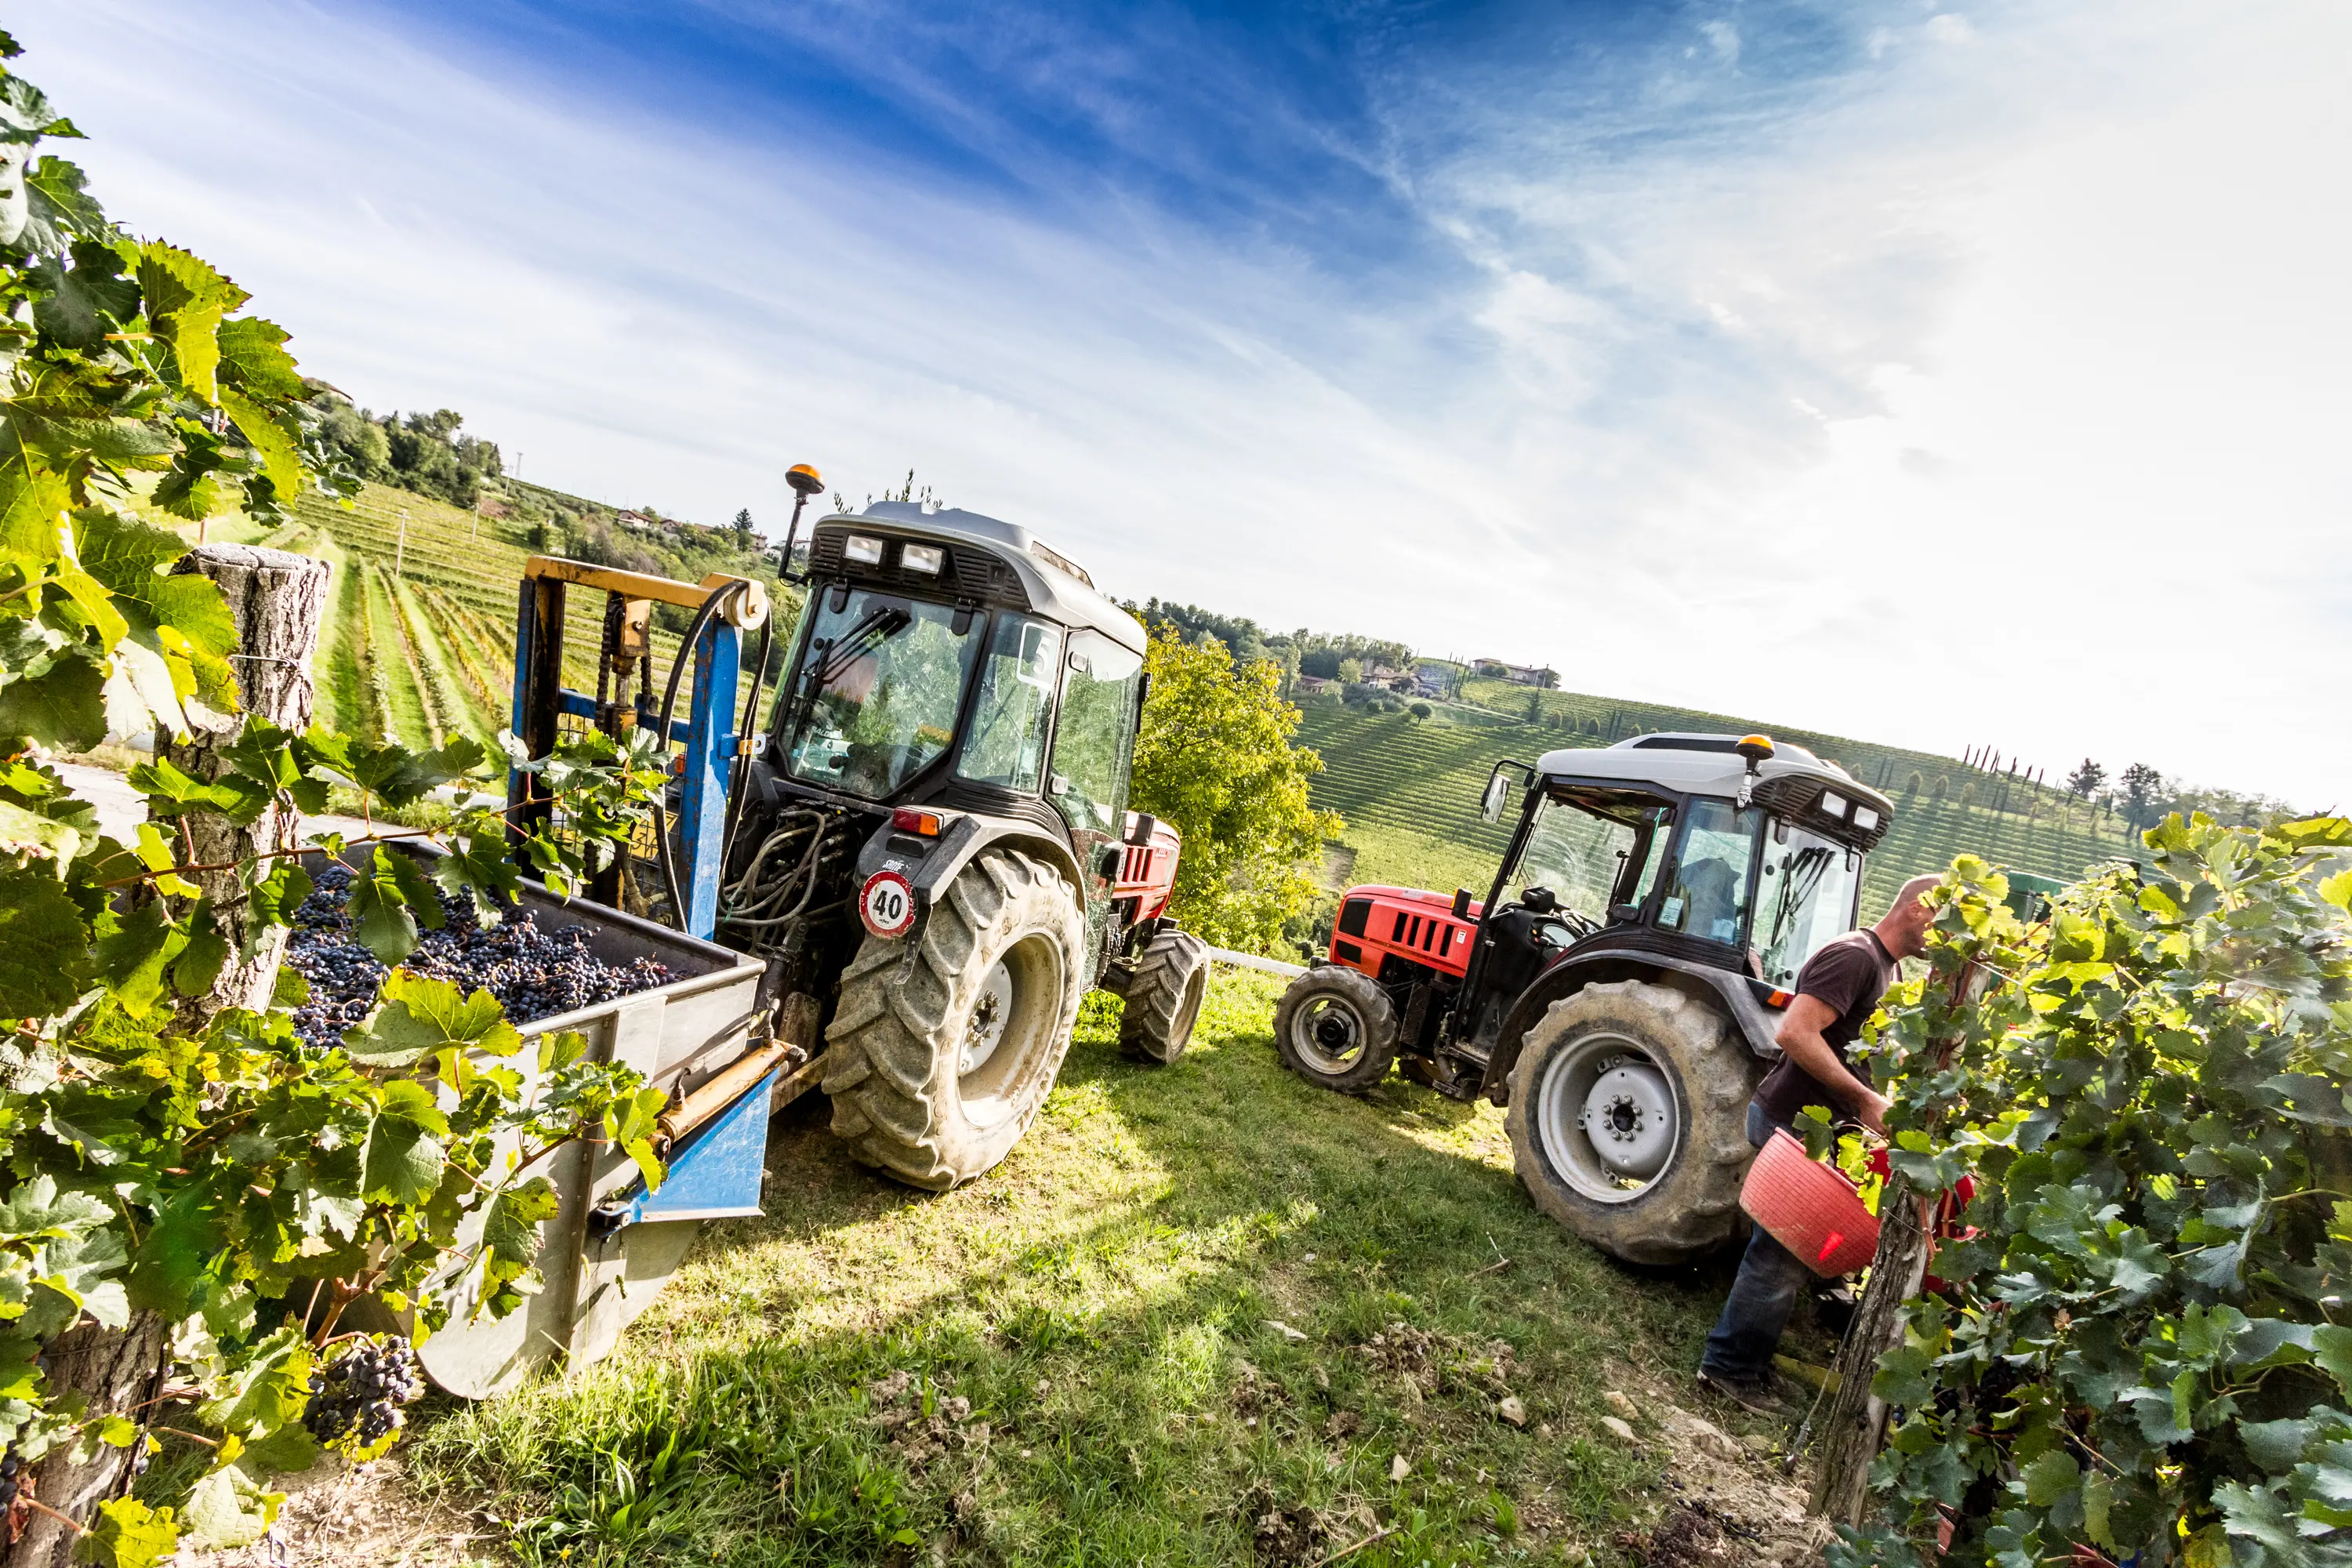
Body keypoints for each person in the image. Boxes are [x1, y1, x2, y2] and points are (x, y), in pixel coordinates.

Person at [1696, 873, 1943, 1408]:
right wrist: (1862, 1100)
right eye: (1942, 922)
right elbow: (1794, 1033)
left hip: (1821, 1130)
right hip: (1793, 1124)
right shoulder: (1855, 957)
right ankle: (1728, 1370)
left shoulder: (1890, 968)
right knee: (1780, 1255)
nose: (1945, 936)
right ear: (1918, 909)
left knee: (1787, 1253)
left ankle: (1748, 1363)